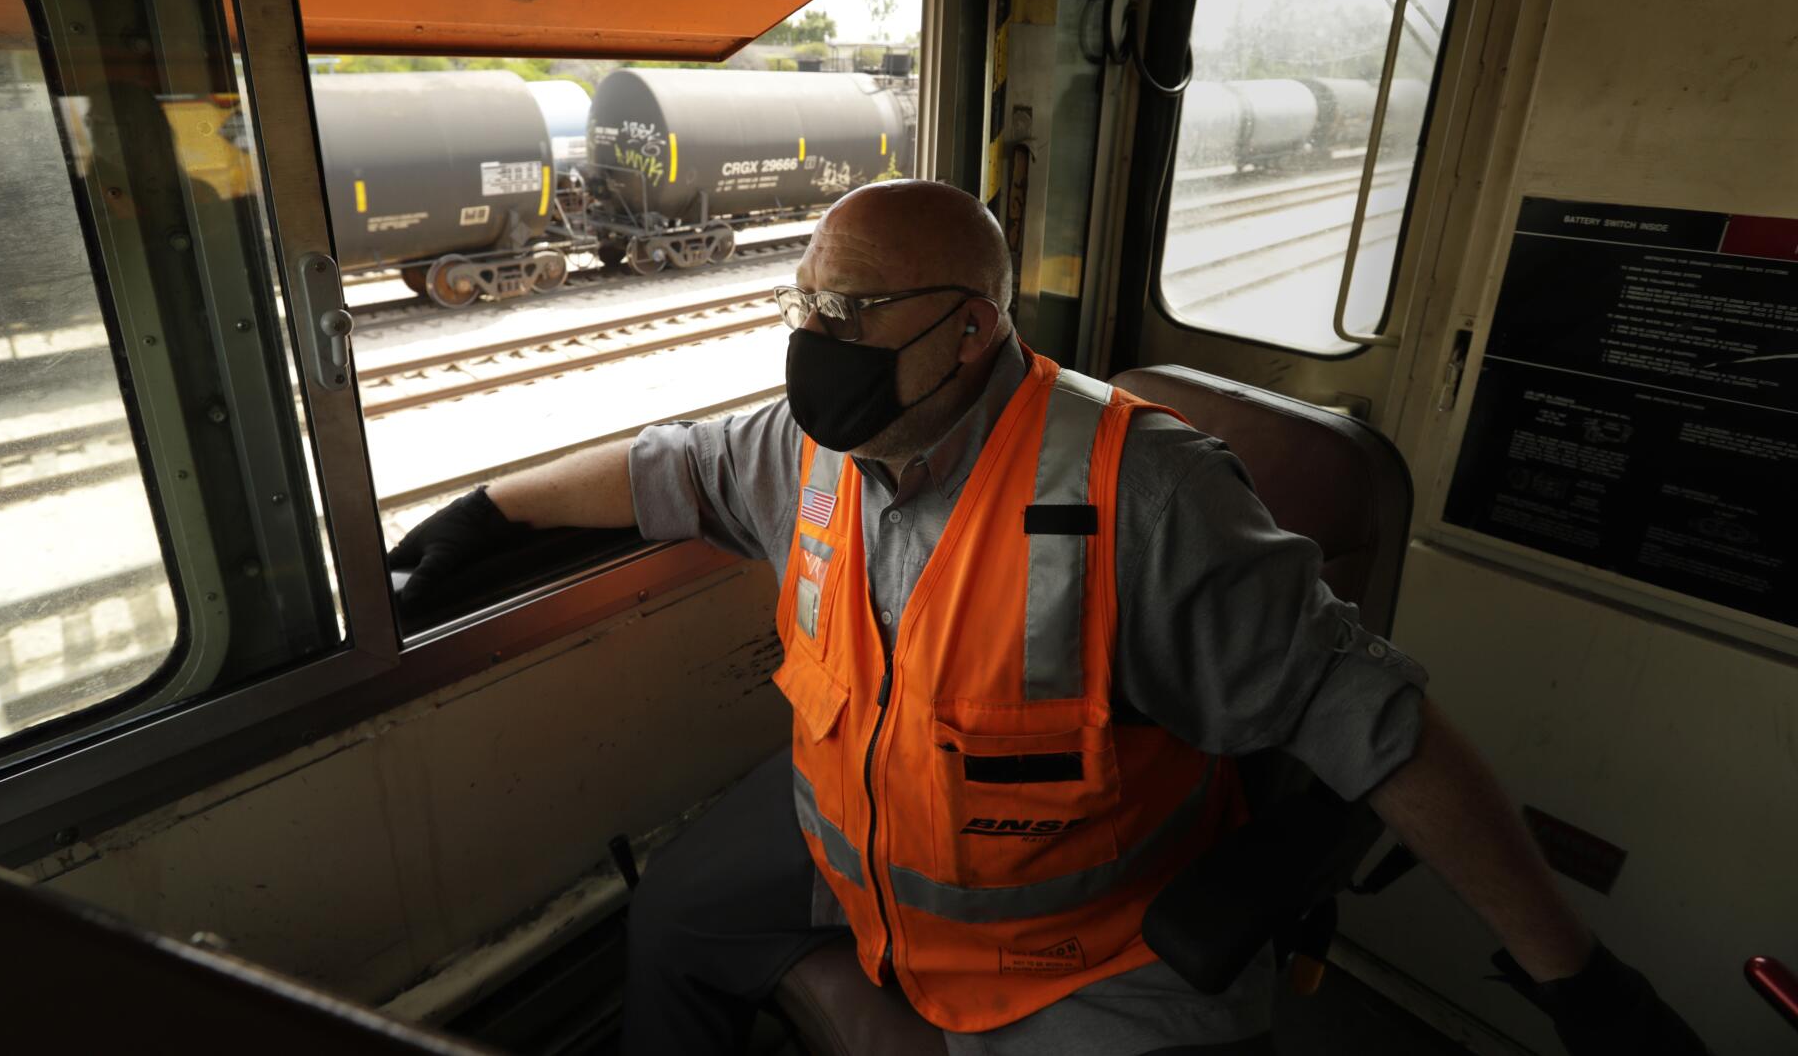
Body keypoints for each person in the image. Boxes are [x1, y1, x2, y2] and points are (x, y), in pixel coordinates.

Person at [389, 181, 1704, 1056]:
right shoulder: (818, 444)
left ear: (967, 334)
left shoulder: (1143, 494)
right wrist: (488, 517)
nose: (812, 341)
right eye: (803, 303)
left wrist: (1574, 976)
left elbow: (1381, 729)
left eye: (848, 314)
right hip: (854, 853)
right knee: (672, 920)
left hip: (1085, 945)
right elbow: (659, 465)